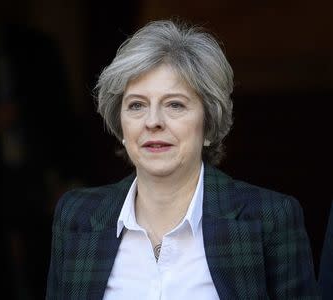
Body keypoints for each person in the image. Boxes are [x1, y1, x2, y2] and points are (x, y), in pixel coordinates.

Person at [46, 19, 320, 299]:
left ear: (208, 125)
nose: (153, 122)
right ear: (122, 128)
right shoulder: (77, 217)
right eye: (137, 105)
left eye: (175, 104)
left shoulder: (269, 219)